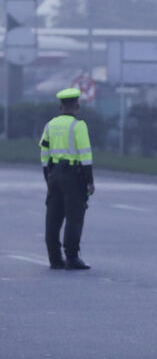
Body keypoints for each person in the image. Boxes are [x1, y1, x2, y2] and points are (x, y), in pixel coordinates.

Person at [40, 87, 95, 270]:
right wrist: (90, 182)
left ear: (60, 106)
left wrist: (48, 177)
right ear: (77, 106)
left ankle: (54, 258)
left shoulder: (50, 125)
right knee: (74, 217)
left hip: (54, 174)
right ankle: (71, 257)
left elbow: (44, 153)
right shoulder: (78, 126)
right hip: (73, 177)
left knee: (53, 216)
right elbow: (85, 156)